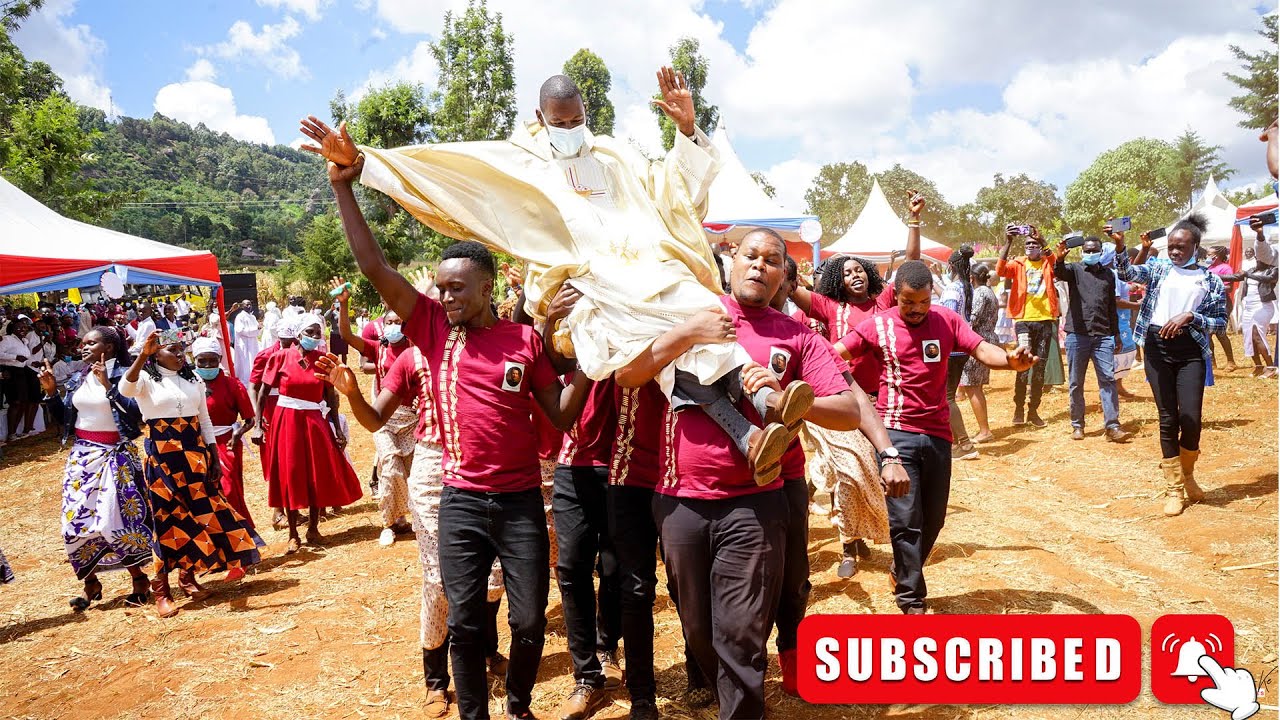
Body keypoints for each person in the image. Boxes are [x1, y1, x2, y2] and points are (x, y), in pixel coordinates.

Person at [300, 70, 805, 484]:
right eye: (560, 122)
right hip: (583, 284)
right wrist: (364, 162)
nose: (571, 128)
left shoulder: (615, 155)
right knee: (660, 336)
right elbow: (448, 172)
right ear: (541, 118)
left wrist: (688, 132)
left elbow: (673, 195)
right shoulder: (521, 164)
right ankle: (755, 420)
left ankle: (764, 410)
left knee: (701, 310)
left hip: (649, 268)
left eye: (578, 119)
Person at [318, 234, 591, 720]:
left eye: (456, 288)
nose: (445, 297)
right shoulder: (433, 331)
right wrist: (344, 188)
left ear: (487, 288)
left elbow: (561, 414)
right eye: (441, 289)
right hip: (460, 502)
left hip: (520, 503)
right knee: (465, 623)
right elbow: (375, 266)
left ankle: (518, 706)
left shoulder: (524, 340)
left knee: (529, 622)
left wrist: (592, 366)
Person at [616, 229, 860, 720]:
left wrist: (789, 398)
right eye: (751, 256)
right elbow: (627, 375)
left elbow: (849, 410)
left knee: (742, 635)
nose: (759, 266)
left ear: (784, 275)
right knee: (699, 633)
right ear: (732, 260)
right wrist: (687, 334)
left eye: (772, 261)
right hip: (680, 501)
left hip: (756, 502)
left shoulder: (797, 335)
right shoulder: (690, 310)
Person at [321, 337, 509, 719]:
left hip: (485, 467)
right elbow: (375, 418)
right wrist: (352, 393)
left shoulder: (493, 346)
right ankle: (436, 679)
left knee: (492, 575)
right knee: (439, 579)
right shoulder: (414, 357)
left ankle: (487, 650)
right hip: (434, 470)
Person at [835, 261, 1036, 615]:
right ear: (895, 296)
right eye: (908, 302)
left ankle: (901, 570)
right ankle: (912, 600)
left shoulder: (947, 320)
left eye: (924, 301)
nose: (916, 309)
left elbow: (981, 349)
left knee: (934, 519)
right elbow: (835, 353)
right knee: (906, 519)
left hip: (939, 434)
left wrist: (1009, 361)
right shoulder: (878, 326)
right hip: (896, 434)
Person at [120, 331, 264, 617]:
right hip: (162, 458)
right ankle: (161, 590)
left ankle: (188, 578)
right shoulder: (145, 379)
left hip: (194, 455)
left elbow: (204, 420)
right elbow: (125, 388)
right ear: (156, 354)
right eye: (171, 350)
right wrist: (142, 356)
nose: (178, 354)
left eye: (180, 349)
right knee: (167, 519)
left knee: (199, 513)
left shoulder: (193, 379)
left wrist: (212, 456)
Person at [1116, 215, 1227, 517]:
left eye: (1181, 247)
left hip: (1190, 352)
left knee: (1191, 418)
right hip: (1156, 348)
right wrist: (1121, 246)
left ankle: (1188, 473)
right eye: (1172, 247)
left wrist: (1191, 316)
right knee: (1167, 418)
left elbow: (1220, 322)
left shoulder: (1210, 280)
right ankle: (1174, 488)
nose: (1175, 251)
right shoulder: (1158, 268)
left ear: (1195, 247)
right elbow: (1127, 273)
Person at [38, 327, 153, 611]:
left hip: (115, 457)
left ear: (109, 347)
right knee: (75, 523)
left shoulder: (126, 374)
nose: (84, 347)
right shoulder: (79, 377)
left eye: (91, 343)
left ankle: (139, 580)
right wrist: (51, 392)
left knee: (113, 521)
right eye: (83, 343)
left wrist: (108, 387)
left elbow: (137, 415)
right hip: (82, 458)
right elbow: (65, 418)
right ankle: (90, 583)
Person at [789, 196, 925, 396]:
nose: (855, 275)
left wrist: (914, 219)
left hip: (883, 394)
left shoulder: (883, 302)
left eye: (859, 270)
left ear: (868, 274)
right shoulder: (830, 307)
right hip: (847, 394)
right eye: (847, 273)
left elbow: (910, 265)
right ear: (839, 281)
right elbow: (791, 287)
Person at [259, 314, 363, 552]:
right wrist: (257, 424)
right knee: (291, 472)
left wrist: (337, 429)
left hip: (314, 420)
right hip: (287, 420)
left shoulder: (323, 361)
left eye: (318, 333)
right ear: (298, 334)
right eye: (310, 332)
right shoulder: (280, 357)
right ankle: (293, 534)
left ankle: (313, 529)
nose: (315, 337)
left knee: (316, 472)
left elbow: (330, 397)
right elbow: (263, 392)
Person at [332, 277, 414, 546]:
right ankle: (388, 523)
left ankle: (407, 518)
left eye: (398, 322)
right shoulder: (379, 348)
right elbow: (346, 336)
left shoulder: (415, 348)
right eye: (389, 322)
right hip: (384, 417)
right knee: (389, 466)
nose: (393, 326)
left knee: (410, 472)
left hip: (412, 418)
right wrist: (344, 305)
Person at [1054, 234, 1130, 443]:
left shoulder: (1108, 275)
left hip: (1103, 336)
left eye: (1094, 250)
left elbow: (1111, 306)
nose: (1090, 253)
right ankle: (1077, 425)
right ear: (1082, 252)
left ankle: (1112, 426)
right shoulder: (1074, 270)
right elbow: (1059, 272)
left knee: (1107, 380)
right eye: (1087, 250)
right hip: (1077, 336)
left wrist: (1116, 334)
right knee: (1076, 382)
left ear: (1101, 252)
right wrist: (1059, 258)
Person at [192, 338, 257, 549]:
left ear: (220, 359)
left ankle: (241, 538)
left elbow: (250, 419)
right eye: (202, 361)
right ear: (194, 360)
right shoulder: (189, 384)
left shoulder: (232, 385)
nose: (207, 366)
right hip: (196, 445)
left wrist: (237, 435)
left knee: (229, 490)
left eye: (212, 361)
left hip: (225, 442)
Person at [996, 225, 1060, 427]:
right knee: (1023, 363)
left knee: (1039, 367)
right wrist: (1008, 242)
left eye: (1034, 243)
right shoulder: (1018, 264)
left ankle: (1033, 410)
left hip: (1045, 320)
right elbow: (1000, 270)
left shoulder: (1048, 264)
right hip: (1023, 320)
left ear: (1040, 246)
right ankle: (1019, 408)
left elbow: (1057, 264)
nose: (1031, 246)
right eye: (1028, 243)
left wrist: (1042, 240)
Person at [938, 246, 980, 459]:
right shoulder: (967, 287)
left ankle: (964, 444)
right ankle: (955, 443)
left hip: (950, 347)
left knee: (947, 397)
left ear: (951, 266)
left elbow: (947, 317)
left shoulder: (952, 289)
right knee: (948, 395)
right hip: (962, 347)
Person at [1226, 218, 1279, 378]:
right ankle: (1258, 366)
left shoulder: (1272, 270)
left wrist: (1248, 275)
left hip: (1263, 307)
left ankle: (1271, 367)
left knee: (1257, 335)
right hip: (1249, 306)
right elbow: (1236, 277)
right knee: (1248, 336)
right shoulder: (1252, 270)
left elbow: (1268, 280)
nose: (1258, 259)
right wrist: (1215, 276)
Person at [957, 264, 998, 442]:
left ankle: (984, 431)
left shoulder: (980, 293)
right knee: (976, 386)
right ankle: (984, 429)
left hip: (977, 342)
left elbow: (972, 319)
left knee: (972, 386)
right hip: (987, 339)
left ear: (972, 278)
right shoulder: (989, 291)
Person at [0, 316, 41, 441]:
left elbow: (26, 357)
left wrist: (31, 362)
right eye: (19, 327)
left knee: (23, 402)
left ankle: (16, 431)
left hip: (22, 372)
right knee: (15, 402)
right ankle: (11, 433)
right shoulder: (7, 339)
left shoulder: (24, 341)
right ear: (13, 328)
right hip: (10, 372)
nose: (23, 329)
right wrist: (15, 357)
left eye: (24, 327)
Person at [1205, 246, 1239, 372]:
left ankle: (1231, 361)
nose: (1207, 256)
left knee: (1220, 333)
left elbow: (1229, 288)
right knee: (1208, 334)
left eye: (1209, 254)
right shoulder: (1209, 268)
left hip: (1223, 304)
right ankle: (1212, 362)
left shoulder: (1225, 268)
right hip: (1210, 304)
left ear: (1217, 256)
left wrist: (1213, 286)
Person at [232, 300, 260, 386]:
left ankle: (253, 379)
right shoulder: (240, 317)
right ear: (242, 306)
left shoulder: (253, 317)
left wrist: (258, 329)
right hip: (244, 343)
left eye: (250, 304)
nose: (249, 306)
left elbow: (257, 329)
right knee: (245, 362)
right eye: (247, 305)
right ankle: (244, 381)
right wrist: (255, 330)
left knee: (253, 360)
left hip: (253, 343)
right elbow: (240, 330)